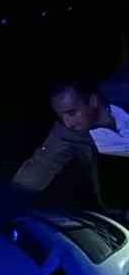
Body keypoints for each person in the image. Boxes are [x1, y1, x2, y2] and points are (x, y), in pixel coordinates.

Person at [7, 70, 129, 214]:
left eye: (71, 113)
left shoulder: (122, 99)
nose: (67, 123)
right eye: (61, 115)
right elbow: (38, 169)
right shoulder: (66, 132)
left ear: (93, 101)